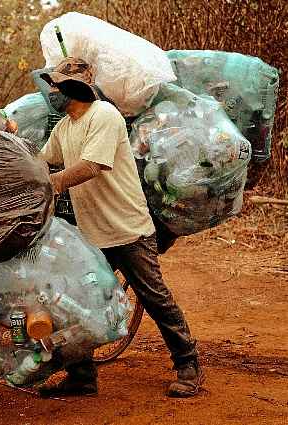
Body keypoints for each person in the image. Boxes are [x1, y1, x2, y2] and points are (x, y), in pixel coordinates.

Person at [36, 57, 205, 398]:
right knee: (75, 300)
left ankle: (189, 364)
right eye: (51, 85)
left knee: (154, 297)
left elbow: (91, 166)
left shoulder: (104, 116)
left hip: (128, 230)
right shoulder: (63, 128)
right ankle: (81, 376)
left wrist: (52, 183)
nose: (52, 92)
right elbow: (42, 161)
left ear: (75, 87)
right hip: (92, 235)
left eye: (57, 85)